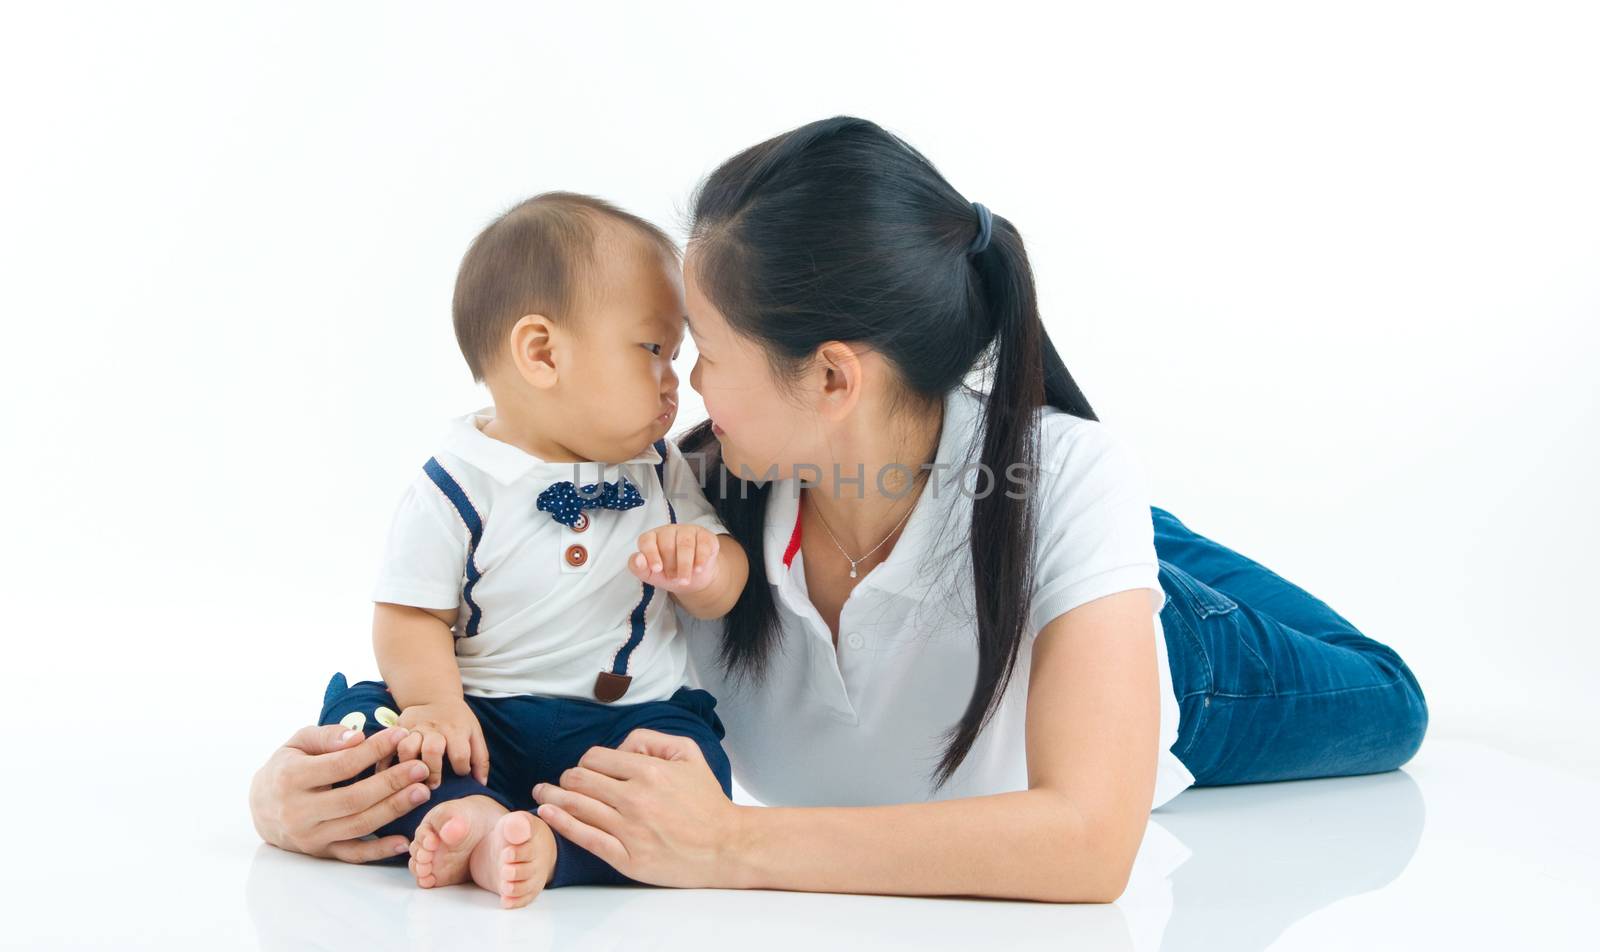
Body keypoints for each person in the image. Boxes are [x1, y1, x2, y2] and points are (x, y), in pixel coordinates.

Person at [250, 117, 1428, 904]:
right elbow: (492, 653)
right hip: (975, 492)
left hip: (1178, 659)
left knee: (1392, 699)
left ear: (830, 378)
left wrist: (728, 845)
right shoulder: (683, 499)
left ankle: (1127, 563)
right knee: (1059, 489)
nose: (683, 388)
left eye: (702, 353)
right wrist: (301, 794)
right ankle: (1095, 541)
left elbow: (1088, 844)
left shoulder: (1065, 478)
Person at [308, 191, 750, 907]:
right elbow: (408, 615)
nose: (675, 384)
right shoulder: (458, 484)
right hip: (482, 718)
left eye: (677, 356)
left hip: (625, 720)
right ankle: (471, 813)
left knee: (694, 769)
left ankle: (547, 849)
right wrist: (435, 706)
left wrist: (702, 566)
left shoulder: (659, 469)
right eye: (653, 351)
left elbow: (729, 579)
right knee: (369, 730)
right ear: (542, 353)